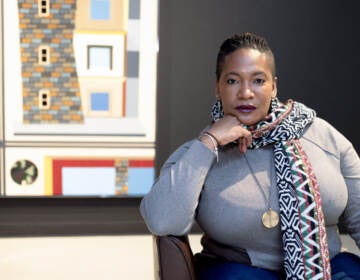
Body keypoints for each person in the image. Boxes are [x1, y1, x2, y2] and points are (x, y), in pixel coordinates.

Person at [140, 32, 360, 279]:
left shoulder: (324, 137)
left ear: (274, 86)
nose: (245, 93)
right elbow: (161, 221)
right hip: (238, 271)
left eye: (258, 80)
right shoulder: (200, 151)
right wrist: (209, 141)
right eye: (233, 81)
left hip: (327, 269)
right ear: (218, 87)